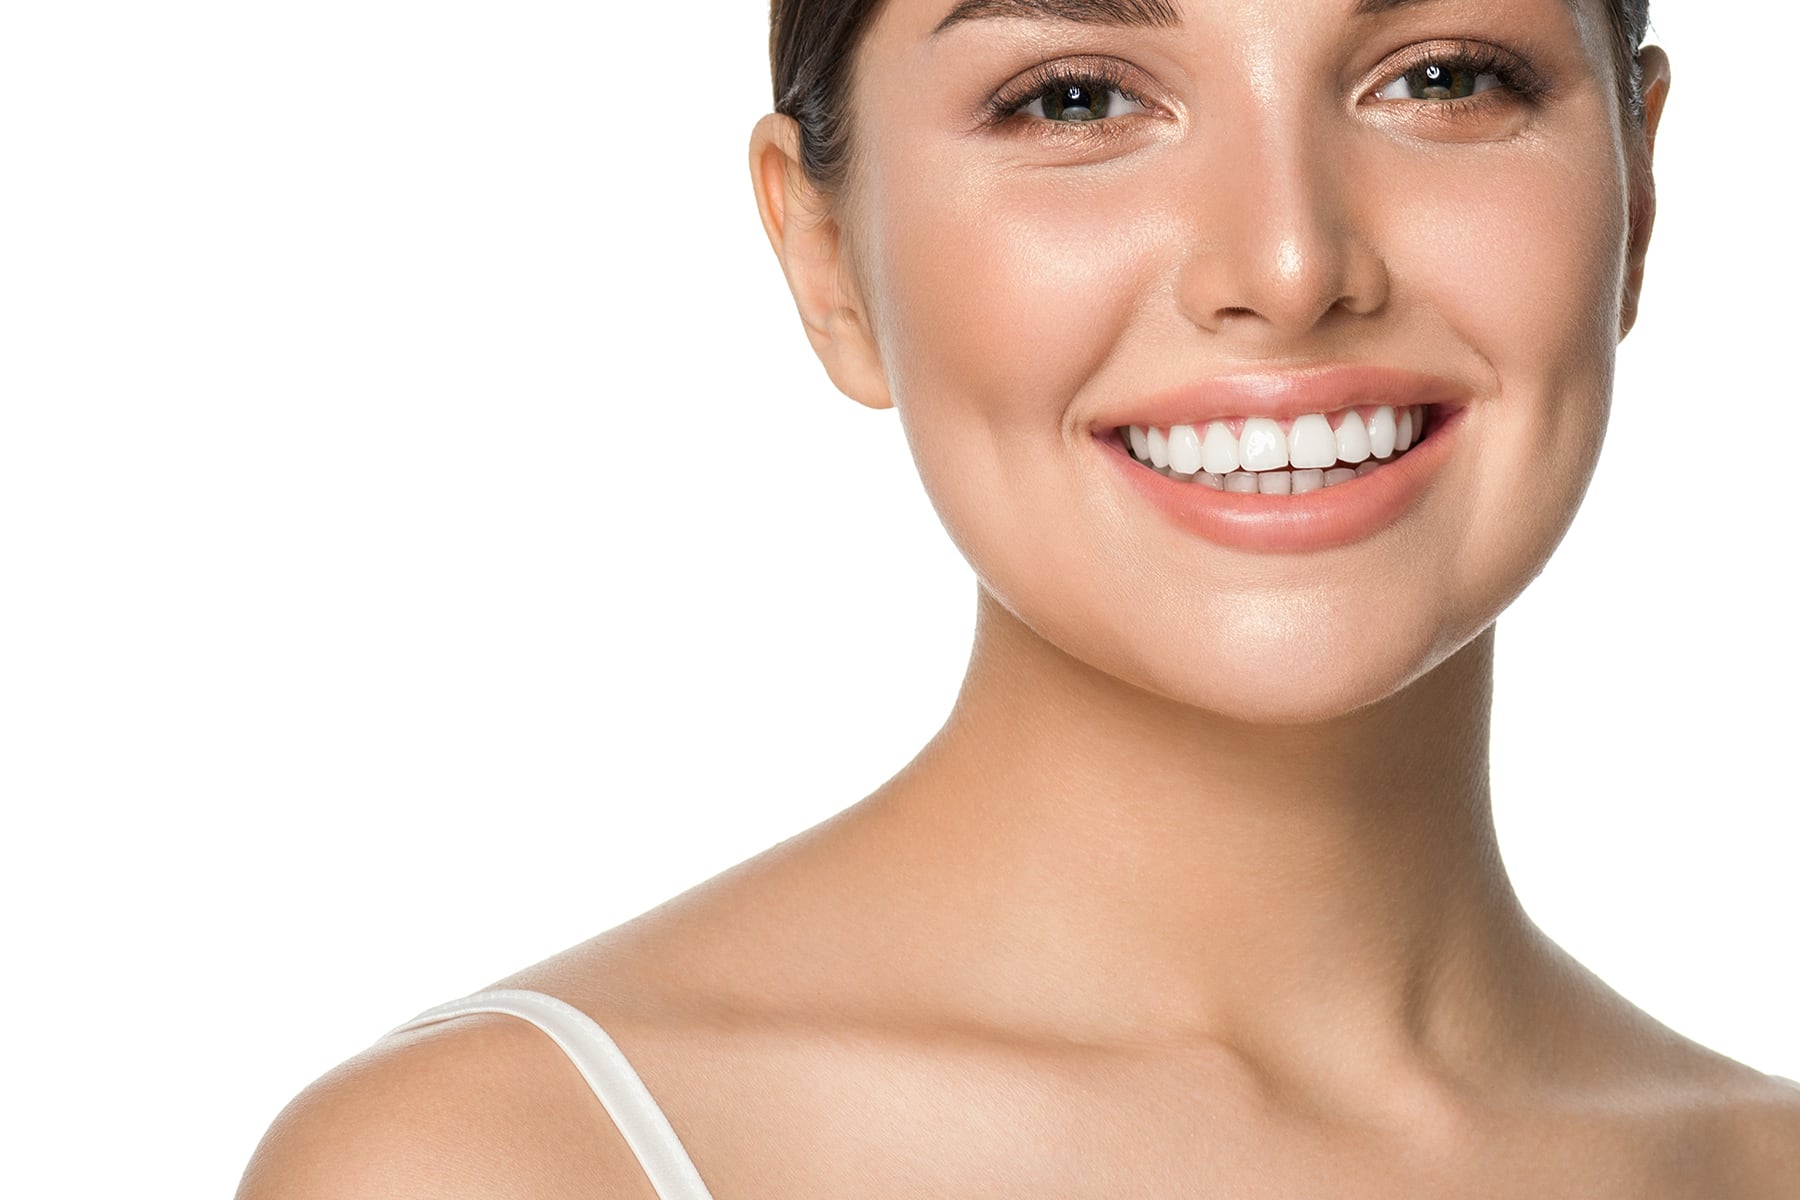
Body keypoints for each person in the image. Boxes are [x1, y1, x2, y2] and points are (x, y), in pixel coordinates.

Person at [236, 0, 1800, 1195]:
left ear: (1637, 193)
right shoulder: (509, 1164)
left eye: (1444, 76)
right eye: (1076, 98)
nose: (1287, 261)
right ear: (825, 256)